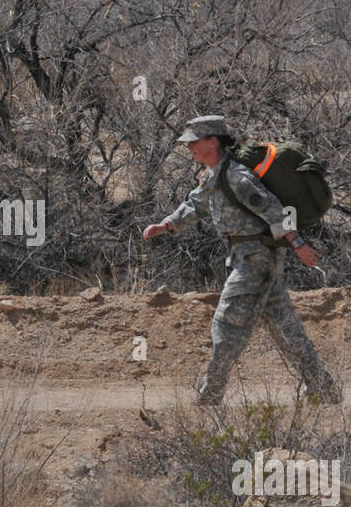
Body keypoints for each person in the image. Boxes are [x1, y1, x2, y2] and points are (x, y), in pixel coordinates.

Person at [142, 115, 340, 407]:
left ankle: (209, 396)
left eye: (194, 142)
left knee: (226, 325)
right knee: (286, 328)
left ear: (213, 141)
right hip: (250, 258)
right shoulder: (214, 175)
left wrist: (298, 244)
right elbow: (195, 203)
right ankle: (323, 389)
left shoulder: (237, 176)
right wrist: (166, 225)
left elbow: (273, 209)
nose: (190, 148)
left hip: (255, 260)